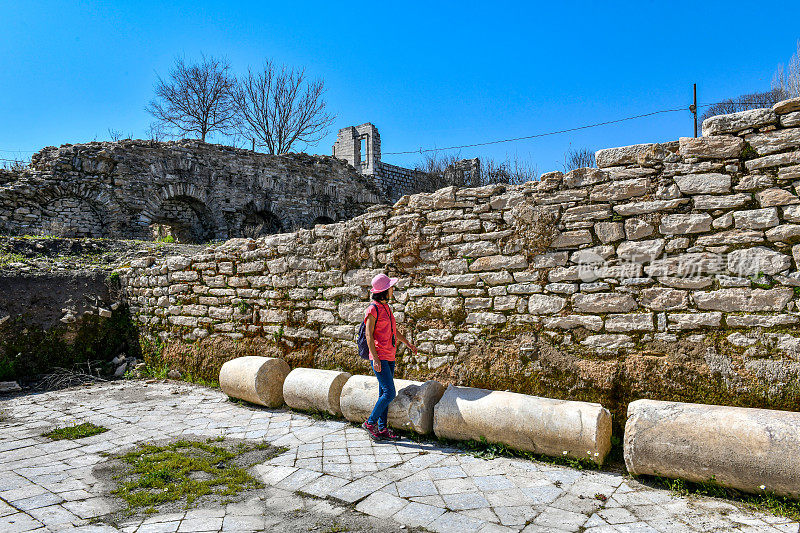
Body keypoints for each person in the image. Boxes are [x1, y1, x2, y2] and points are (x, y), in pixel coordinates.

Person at [361, 273, 417, 441]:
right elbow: (369, 335)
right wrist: (376, 358)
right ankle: (370, 423)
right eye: (391, 287)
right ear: (384, 291)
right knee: (389, 392)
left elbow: (394, 331)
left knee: (383, 394)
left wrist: (408, 343)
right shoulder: (373, 309)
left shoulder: (387, 308)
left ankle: (382, 429)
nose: (393, 290)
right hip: (379, 356)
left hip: (390, 355)